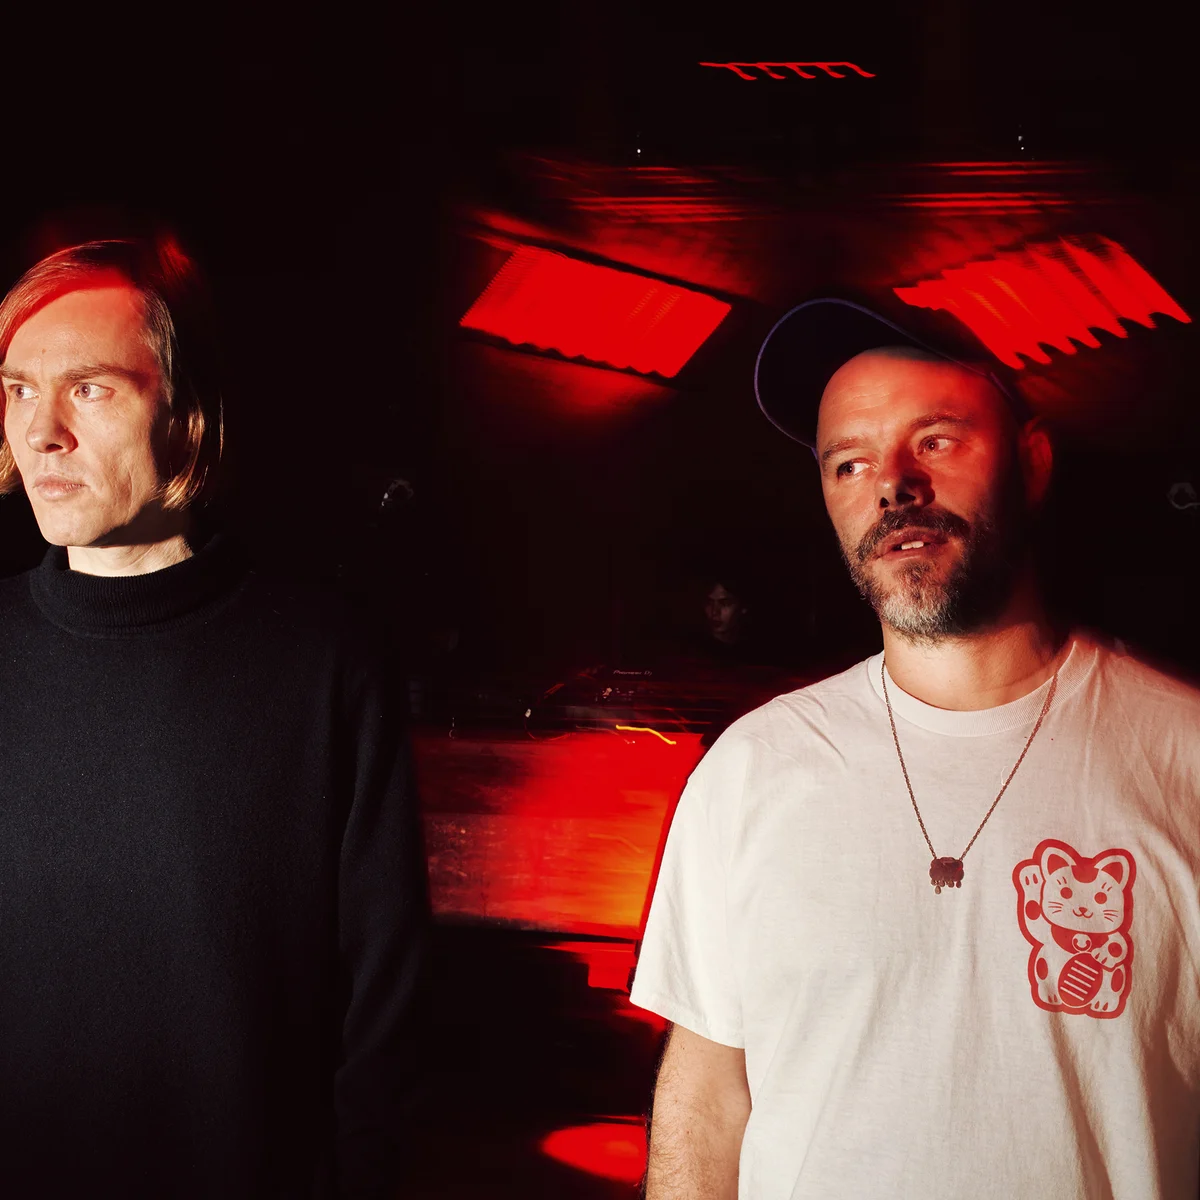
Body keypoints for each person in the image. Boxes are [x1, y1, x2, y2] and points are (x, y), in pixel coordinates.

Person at [630, 298, 1200, 1198]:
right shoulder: (751, 771)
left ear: (1032, 462)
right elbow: (706, 1102)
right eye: (850, 463)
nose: (892, 487)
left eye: (934, 440)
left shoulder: (1183, 756)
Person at [0, 237, 426, 1198]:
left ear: (187, 414)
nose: (42, 431)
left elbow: (383, 1000)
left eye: (89, 389)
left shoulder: (323, 658)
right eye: (19, 389)